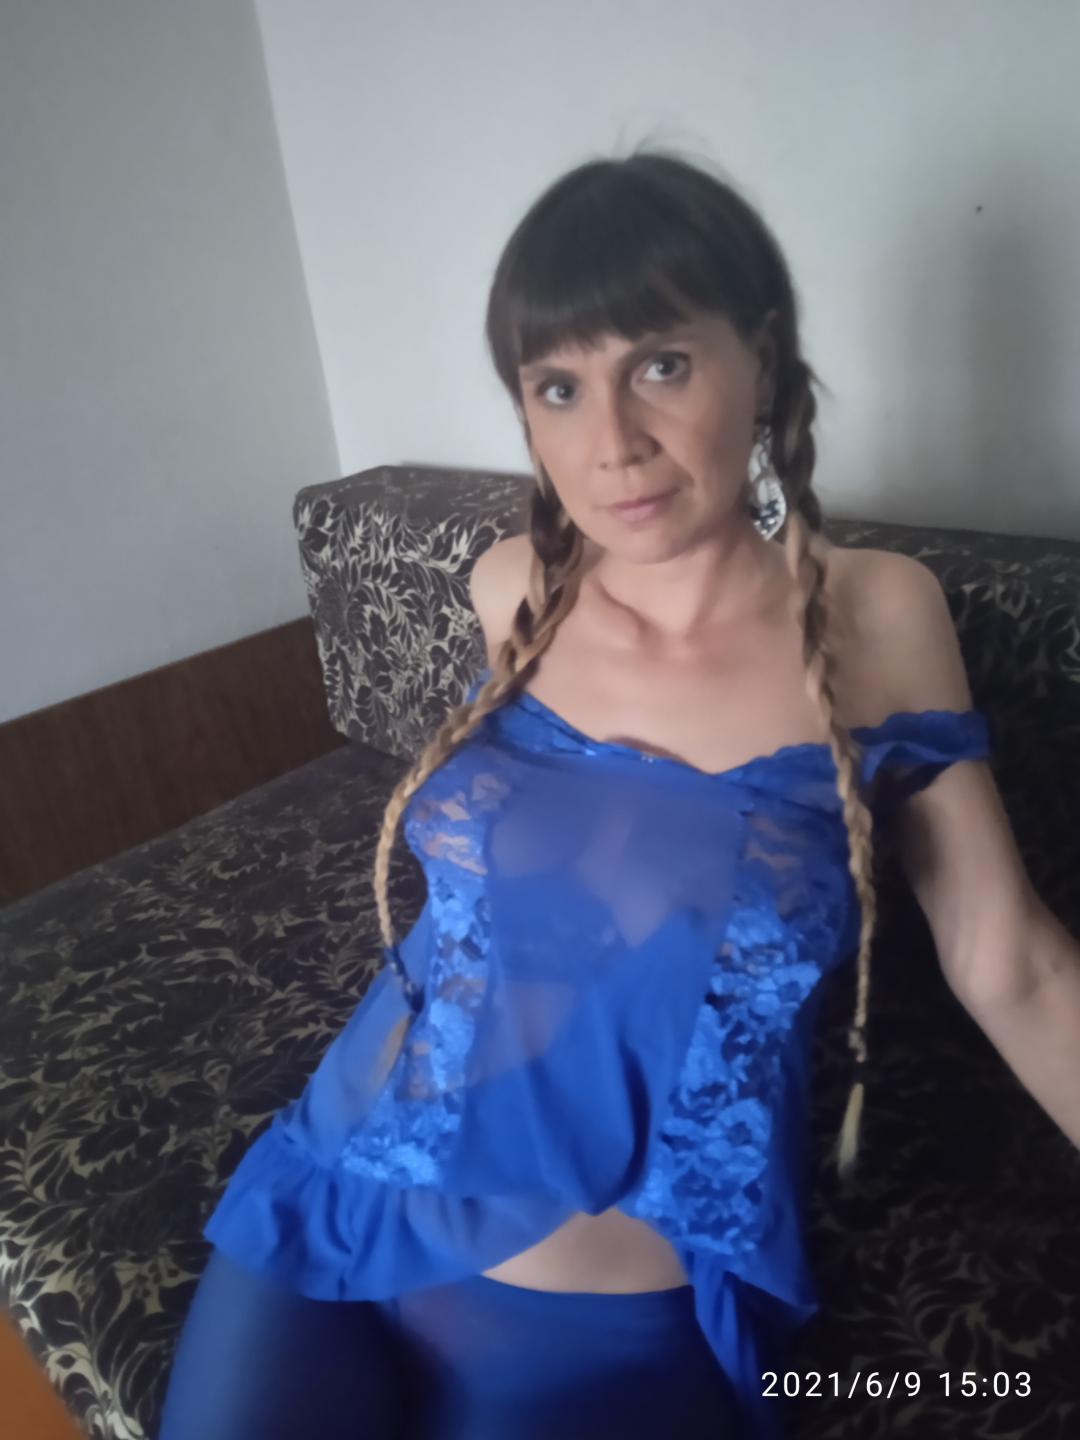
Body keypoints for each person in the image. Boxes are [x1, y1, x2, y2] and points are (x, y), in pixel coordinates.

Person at [158, 141, 1072, 1440]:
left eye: (661, 365)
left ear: (762, 360)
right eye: (558, 386)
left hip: (592, 1319)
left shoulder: (880, 618)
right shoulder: (510, 586)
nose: (614, 445)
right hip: (341, 1184)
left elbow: (1011, 961)